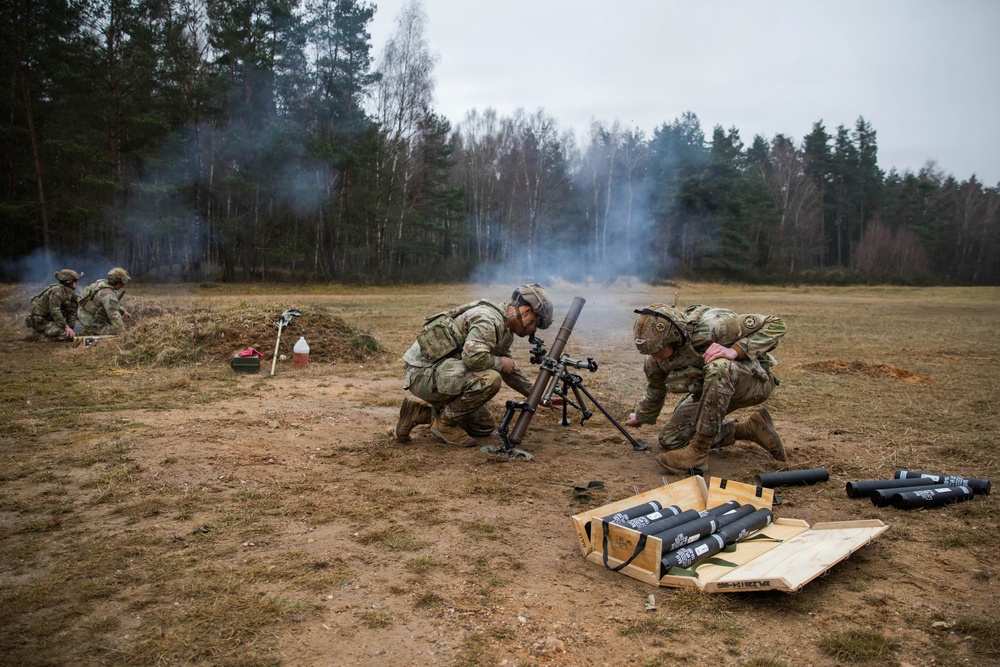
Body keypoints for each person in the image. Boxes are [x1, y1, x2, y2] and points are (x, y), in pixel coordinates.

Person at [624, 303, 788, 475]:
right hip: (713, 392)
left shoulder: (713, 328)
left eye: (657, 349)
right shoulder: (655, 360)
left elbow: (776, 324)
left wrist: (734, 351)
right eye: (649, 351)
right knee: (672, 439)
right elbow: (655, 389)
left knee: (719, 367)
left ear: (673, 338)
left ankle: (698, 451)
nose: (654, 356)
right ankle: (750, 429)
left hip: (754, 384)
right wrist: (642, 415)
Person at [394, 284, 559, 447]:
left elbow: (510, 372)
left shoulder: (504, 328)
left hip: (442, 373)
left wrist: (537, 396)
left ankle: (417, 412)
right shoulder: (489, 320)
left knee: (483, 426)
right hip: (422, 374)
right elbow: (473, 357)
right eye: (535, 323)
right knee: (490, 379)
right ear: (526, 311)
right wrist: (500, 363)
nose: (534, 330)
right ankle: (444, 425)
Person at [24, 270, 83, 341]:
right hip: (41, 320)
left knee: (72, 306)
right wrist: (66, 327)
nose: (77, 283)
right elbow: (54, 311)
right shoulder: (57, 291)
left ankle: (67, 331)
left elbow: (80, 300)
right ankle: (42, 337)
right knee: (66, 336)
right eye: (75, 281)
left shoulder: (69, 292)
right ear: (69, 282)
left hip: (50, 319)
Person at [78, 267, 133, 335]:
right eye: (122, 283)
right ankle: (91, 332)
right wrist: (124, 333)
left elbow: (107, 303)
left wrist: (122, 310)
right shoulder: (108, 294)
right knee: (114, 331)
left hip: (84, 314)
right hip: (91, 322)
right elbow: (114, 316)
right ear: (118, 283)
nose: (123, 285)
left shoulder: (100, 283)